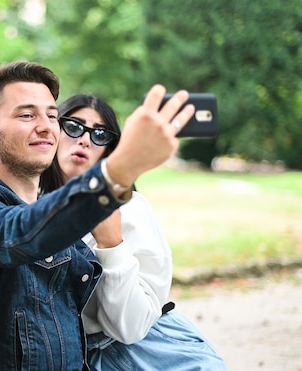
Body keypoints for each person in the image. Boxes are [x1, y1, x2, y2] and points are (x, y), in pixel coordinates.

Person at [0, 61, 196, 370]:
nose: (46, 126)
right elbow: (24, 233)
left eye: (51, 115)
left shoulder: (64, 224)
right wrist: (117, 171)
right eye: (26, 115)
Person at [40, 93, 226, 370]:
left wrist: (111, 244)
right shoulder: (27, 209)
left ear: (110, 149)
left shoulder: (131, 210)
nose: (85, 140)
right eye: (74, 126)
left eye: (100, 134)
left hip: (154, 354)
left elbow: (131, 329)